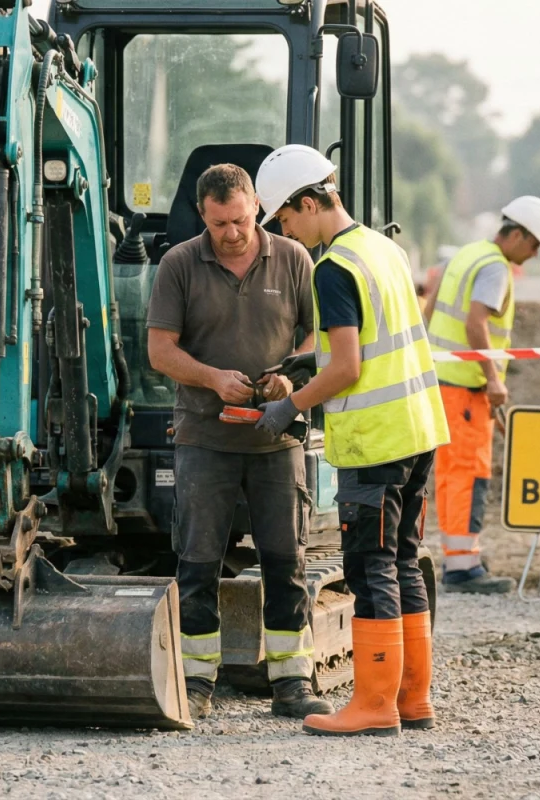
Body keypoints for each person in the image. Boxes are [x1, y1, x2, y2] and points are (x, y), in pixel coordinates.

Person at [252, 144, 449, 737]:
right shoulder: (384, 248)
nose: (288, 234)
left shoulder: (333, 267)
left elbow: (348, 367)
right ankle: (413, 701)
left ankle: (373, 705)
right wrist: (301, 357)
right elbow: (370, 337)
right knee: (405, 565)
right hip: (418, 432)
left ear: (309, 202)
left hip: (375, 444)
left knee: (370, 571)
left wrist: (289, 404)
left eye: (287, 221)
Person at [145, 164, 333, 721]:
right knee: (198, 559)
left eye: (241, 219)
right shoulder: (180, 264)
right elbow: (160, 350)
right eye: (220, 222)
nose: (233, 232)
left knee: (286, 559)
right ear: (203, 215)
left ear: (257, 205)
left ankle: (292, 681)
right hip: (205, 437)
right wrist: (211, 378)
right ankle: (197, 680)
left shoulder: (294, 258)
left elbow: (313, 332)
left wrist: (290, 377)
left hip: (277, 436)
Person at [424, 196, 540, 594]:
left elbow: (430, 308)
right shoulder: (496, 268)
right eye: (534, 245)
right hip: (465, 387)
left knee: (451, 473)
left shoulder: (468, 254)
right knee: (469, 473)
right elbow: (476, 323)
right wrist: (493, 380)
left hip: (445, 382)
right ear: (516, 234)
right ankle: (463, 567)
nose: (532, 255)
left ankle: (458, 559)